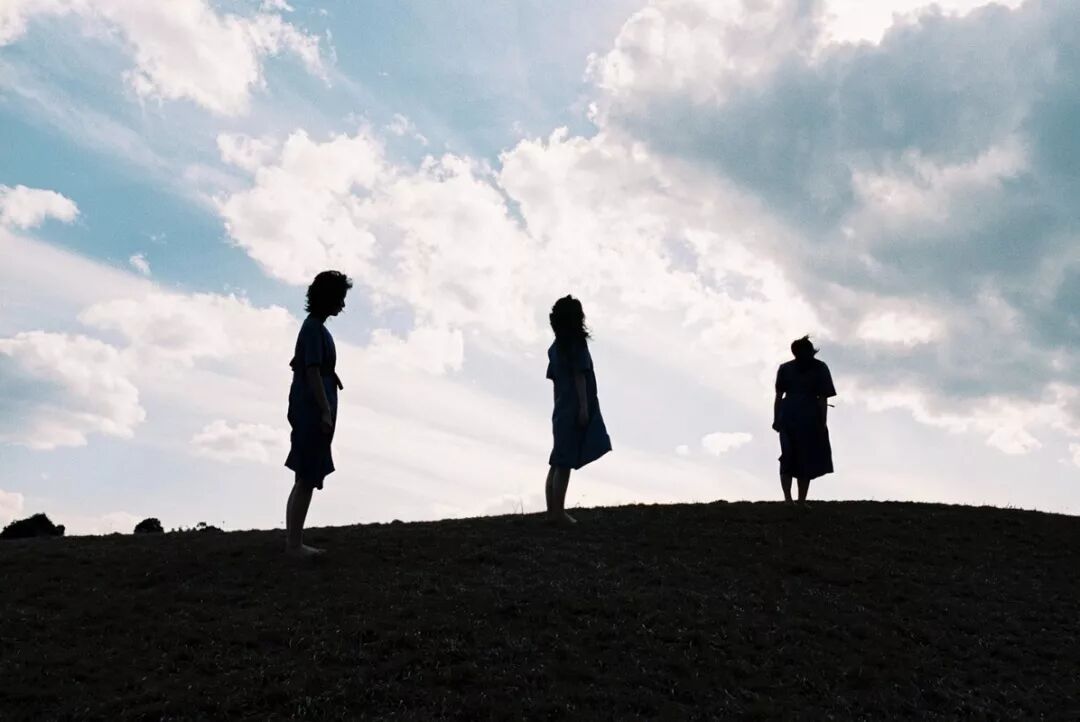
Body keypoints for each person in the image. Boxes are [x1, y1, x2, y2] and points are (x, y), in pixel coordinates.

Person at [284, 270, 352, 556]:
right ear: (328, 298)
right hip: (311, 409)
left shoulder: (315, 329)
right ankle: (294, 545)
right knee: (306, 476)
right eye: (340, 298)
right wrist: (325, 411)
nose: (342, 305)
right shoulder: (313, 328)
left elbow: (306, 365)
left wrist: (330, 377)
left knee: (306, 475)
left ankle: (294, 542)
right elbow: (310, 371)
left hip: (313, 406)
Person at [544, 295, 612, 523]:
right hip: (573, 406)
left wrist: (558, 408)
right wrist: (583, 408)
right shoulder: (575, 344)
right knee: (563, 463)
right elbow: (579, 376)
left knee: (557, 460)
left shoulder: (554, 349)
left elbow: (556, 382)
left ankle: (552, 511)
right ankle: (557, 513)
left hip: (561, 408)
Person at [772, 335, 836, 503]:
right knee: (798, 458)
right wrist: (822, 422)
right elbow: (822, 398)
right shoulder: (819, 368)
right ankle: (795, 501)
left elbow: (779, 397)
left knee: (794, 457)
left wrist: (777, 418)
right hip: (803, 417)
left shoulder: (787, 368)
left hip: (795, 416)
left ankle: (794, 501)